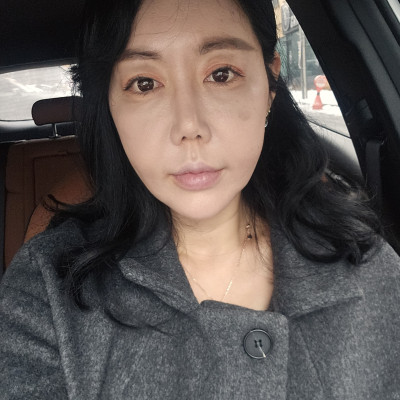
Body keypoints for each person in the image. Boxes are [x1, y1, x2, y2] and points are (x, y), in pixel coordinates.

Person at [1, 0, 399, 398]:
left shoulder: (366, 264)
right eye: (144, 83)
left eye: (221, 74)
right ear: (109, 104)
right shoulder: (48, 290)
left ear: (269, 87)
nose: (189, 125)